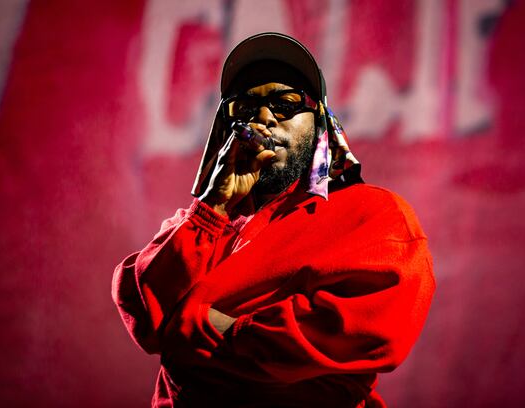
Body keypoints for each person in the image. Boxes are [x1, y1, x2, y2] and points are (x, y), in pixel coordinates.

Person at [112, 32, 435, 408]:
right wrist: (212, 207)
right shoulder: (196, 223)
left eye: (285, 104)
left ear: (320, 123)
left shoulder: (372, 214)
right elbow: (144, 314)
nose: (263, 118)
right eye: (245, 108)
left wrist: (210, 328)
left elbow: (366, 332)